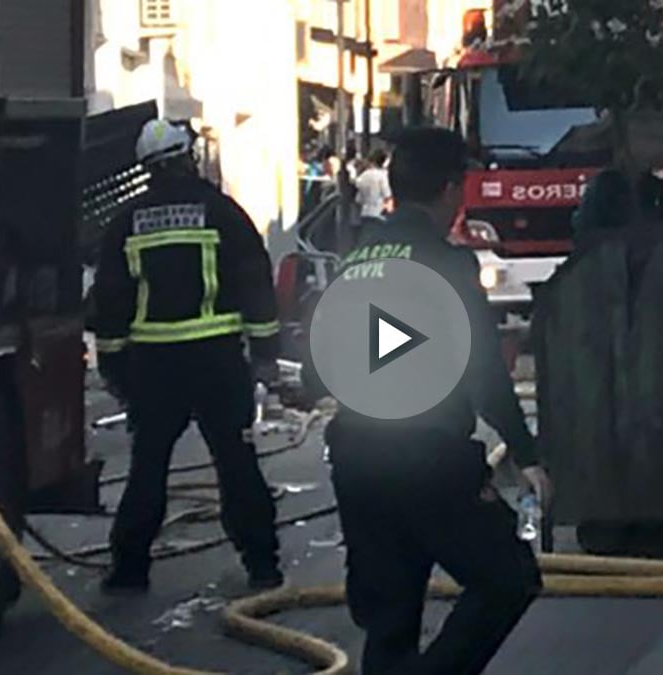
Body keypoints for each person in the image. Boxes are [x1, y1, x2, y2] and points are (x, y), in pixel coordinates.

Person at [323, 127, 548, 675]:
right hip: (429, 459)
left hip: (356, 456)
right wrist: (526, 452)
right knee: (508, 579)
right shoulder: (449, 264)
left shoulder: (354, 260)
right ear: (450, 189)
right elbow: (484, 374)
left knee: (390, 616)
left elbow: (317, 366)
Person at [93, 119, 284, 592]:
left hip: (154, 365)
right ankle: (262, 565)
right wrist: (265, 352)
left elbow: (110, 300)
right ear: (186, 157)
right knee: (236, 462)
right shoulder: (221, 212)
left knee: (148, 465)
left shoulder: (126, 221)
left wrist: (114, 364)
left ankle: (130, 568)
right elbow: (254, 279)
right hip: (217, 359)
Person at [355, 148, 393, 224]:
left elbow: (358, 199)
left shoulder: (363, 175)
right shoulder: (382, 176)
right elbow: (387, 196)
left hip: (364, 214)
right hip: (378, 214)